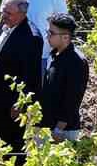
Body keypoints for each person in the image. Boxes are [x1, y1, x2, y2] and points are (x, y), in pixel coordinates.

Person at [0, 0, 44, 157]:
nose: (4, 16)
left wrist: (20, 104)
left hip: (13, 102)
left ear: (22, 14)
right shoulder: (4, 25)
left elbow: (31, 75)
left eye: (9, 13)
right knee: (2, 134)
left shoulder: (31, 38)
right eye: (3, 11)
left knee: (15, 141)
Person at [38, 13, 89, 142]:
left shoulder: (76, 61)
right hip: (47, 125)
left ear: (66, 37)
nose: (47, 36)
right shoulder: (54, 54)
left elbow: (73, 99)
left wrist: (59, 128)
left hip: (63, 130)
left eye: (51, 33)